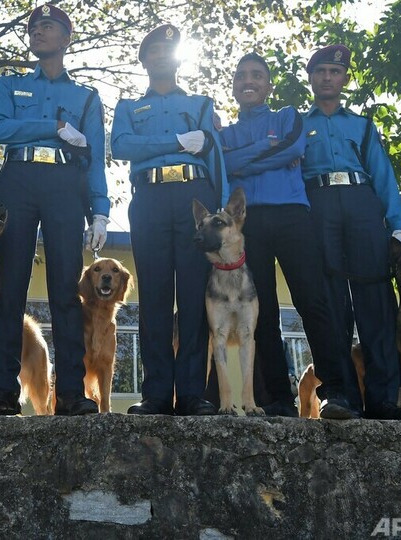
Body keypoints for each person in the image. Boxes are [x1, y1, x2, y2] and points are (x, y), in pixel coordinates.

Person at [0, 4, 107, 416]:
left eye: (48, 27)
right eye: (34, 27)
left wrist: (100, 210)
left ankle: (70, 394)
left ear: (67, 39)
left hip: (66, 186)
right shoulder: (10, 85)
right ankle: (2, 390)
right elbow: (1, 129)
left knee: (66, 290)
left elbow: (95, 156)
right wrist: (55, 128)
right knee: (10, 288)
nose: (38, 33)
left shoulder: (85, 97)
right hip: (19, 179)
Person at [219, 52, 356, 419]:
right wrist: (266, 149)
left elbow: (294, 147)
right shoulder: (224, 134)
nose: (249, 80)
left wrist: (245, 159)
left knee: (313, 302)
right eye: (242, 75)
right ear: (233, 85)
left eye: (257, 75)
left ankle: (336, 392)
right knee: (260, 313)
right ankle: (277, 398)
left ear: (268, 85)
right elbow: (224, 164)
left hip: (293, 216)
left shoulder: (288, 116)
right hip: (249, 226)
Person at [111, 24, 228, 416]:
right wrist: (177, 142)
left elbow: (216, 160)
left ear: (177, 58)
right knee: (155, 296)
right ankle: (157, 393)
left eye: (167, 50)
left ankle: (193, 392)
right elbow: (122, 145)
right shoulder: (129, 108)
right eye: (153, 52)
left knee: (195, 295)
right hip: (150, 199)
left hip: (195, 199)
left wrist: (222, 210)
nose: (160, 56)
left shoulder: (200, 104)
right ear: (143, 61)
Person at [301, 45, 401, 420]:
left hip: (362, 202)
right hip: (318, 204)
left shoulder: (362, 125)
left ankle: (384, 399)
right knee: (331, 304)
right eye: (320, 71)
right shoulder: (297, 126)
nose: (327, 78)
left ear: (344, 78)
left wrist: (398, 227)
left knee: (376, 303)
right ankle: (342, 397)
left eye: (334, 72)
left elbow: (383, 177)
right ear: (311, 78)